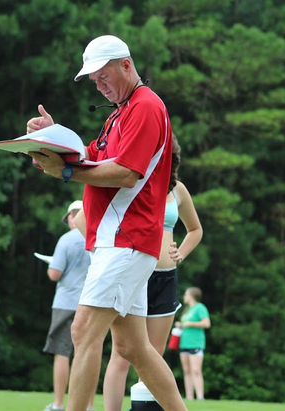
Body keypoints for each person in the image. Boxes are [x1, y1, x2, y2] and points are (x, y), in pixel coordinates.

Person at [26, 35, 188, 411]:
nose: (98, 85)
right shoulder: (122, 110)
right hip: (119, 240)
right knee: (134, 348)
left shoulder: (144, 106)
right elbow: (93, 156)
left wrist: (65, 172)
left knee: (82, 331)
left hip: (127, 240)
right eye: (93, 80)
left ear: (126, 65)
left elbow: (126, 174)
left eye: (103, 76)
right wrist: (55, 138)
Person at [101, 135, 203, 411]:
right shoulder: (132, 182)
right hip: (133, 274)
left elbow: (195, 230)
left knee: (153, 354)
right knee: (122, 355)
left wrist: (181, 252)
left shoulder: (178, 190)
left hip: (165, 278)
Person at [39, 200, 95, 411]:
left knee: (62, 353)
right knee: (89, 352)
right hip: (92, 303)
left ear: (73, 216)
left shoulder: (66, 240)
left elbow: (55, 274)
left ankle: (59, 404)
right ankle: (89, 406)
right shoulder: (98, 235)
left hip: (66, 303)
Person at [175, 287, 210, 401]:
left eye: (186, 294)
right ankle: (189, 396)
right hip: (184, 343)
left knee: (196, 370)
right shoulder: (187, 310)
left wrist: (190, 324)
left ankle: (200, 397)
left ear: (192, 296)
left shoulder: (200, 308)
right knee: (186, 370)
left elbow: (206, 323)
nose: (184, 296)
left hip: (196, 343)